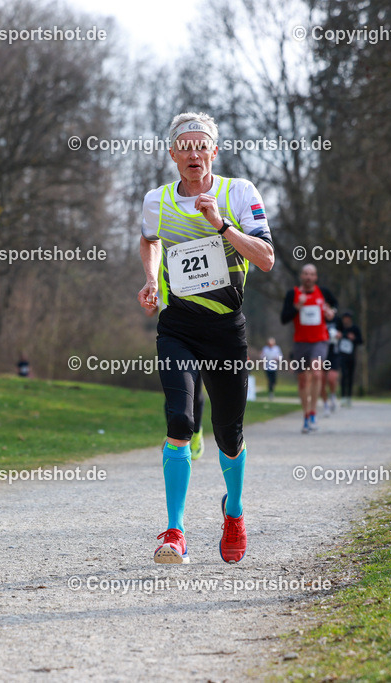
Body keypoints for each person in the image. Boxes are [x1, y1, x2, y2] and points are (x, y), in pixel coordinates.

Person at [138, 112, 274, 564]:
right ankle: (174, 531)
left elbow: (267, 258)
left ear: (215, 151)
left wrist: (221, 225)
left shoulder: (239, 193)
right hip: (177, 326)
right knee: (179, 421)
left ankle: (233, 512)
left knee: (229, 435)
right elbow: (149, 239)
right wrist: (152, 278)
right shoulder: (156, 201)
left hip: (225, 330)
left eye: (203, 145)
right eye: (185, 146)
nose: (194, 153)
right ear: (172, 154)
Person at [280, 264, 337, 434]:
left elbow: (335, 306)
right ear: (301, 276)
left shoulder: (324, 292)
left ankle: (313, 413)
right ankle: (305, 415)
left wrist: (331, 312)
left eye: (311, 274)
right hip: (301, 342)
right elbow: (284, 318)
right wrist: (297, 307)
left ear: (316, 277)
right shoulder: (293, 294)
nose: (308, 277)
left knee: (317, 372)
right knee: (303, 380)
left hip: (320, 340)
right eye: (305, 274)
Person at [338, 311, 364, 407]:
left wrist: (354, 338)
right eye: (345, 318)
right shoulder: (340, 328)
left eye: (348, 318)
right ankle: (343, 397)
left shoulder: (355, 329)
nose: (346, 320)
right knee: (344, 375)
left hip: (352, 356)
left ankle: (349, 397)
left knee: (350, 376)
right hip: (341, 356)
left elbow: (361, 341)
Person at [321, 321, 340, 414]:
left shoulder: (338, 320)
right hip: (321, 351)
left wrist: (340, 335)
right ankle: (325, 405)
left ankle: (332, 395)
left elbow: (344, 332)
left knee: (331, 378)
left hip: (334, 353)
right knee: (321, 381)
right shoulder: (319, 316)